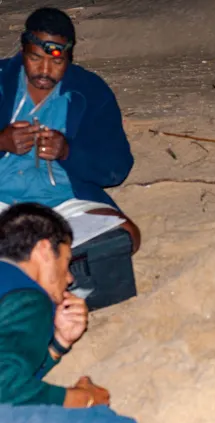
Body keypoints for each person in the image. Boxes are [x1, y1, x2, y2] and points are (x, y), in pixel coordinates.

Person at [0, 7, 141, 254]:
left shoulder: (90, 91)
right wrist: (1, 141)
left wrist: (67, 152)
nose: (44, 71)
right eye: (35, 58)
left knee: (126, 235)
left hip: (64, 202)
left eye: (56, 62)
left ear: (70, 57)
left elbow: (116, 168)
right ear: (22, 51)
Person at [0, 202, 110, 407]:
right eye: (66, 261)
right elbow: (6, 392)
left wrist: (59, 343)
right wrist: (84, 399)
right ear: (44, 250)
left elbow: (12, 372)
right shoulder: (28, 298)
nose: (69, 278)